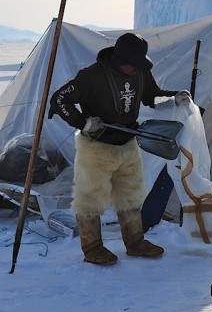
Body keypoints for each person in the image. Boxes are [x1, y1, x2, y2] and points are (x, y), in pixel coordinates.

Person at [49, 32, 190, 266]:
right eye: (132, 65)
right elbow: (59, 100)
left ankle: (135, 242)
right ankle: (92, 247)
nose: (136, 69)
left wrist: (173, 97)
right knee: (90, 198)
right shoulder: (91, 76)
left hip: (127, 144)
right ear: (119, 59)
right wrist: (82, 122)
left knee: (131, 195)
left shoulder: (141, 71)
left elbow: (151, 96)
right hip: (96, 147)